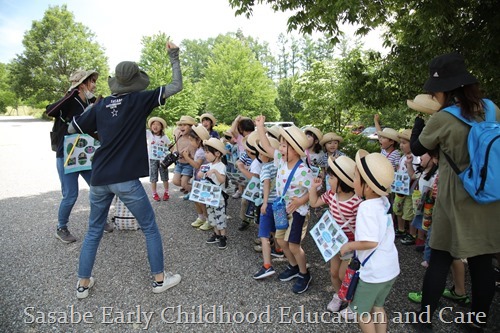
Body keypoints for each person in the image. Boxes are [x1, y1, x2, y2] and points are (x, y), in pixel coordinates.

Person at [69, 41, 183, 298]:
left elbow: (72, 128)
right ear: (135, 80)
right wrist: (173, 56)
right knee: (150, 227)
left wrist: (97, 121)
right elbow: (177, 86)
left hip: (99, 178)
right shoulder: (140, 100)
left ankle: (83, 284)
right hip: (125, 180)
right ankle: (159, 280)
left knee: (93, 230)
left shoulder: (101, 104)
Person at [410, 52, 500, 331]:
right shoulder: (491, 108)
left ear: (442, 89)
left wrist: (418, 123)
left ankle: (424, 322)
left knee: (439, 258)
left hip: (456, 199)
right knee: (482, 261)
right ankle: (477, 323)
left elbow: (417, 148)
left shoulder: (443, 119)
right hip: (488, 197)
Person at [45, 69, 113, 243]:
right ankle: (61, 228)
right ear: (82, 85)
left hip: (85, 155)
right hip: (67, 157)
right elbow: (50, 110)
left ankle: (99, 221)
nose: (95, 84)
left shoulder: (91, 101)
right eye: (91, 81)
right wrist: (72, 92)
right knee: (70, 195)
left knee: (99, 188)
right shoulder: (70, 101)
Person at [339, 150, 399, 333]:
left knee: (361, 312)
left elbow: (370, 242)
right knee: (378, 307)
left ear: (369, 187)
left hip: (374, 273)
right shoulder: (383, 202)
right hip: (390, 268)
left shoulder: (366, 207)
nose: (353, 181)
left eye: (356, 177)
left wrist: (349, 246)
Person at [255, 115, 314, 294]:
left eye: (283, 145)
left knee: (294, 245)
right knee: (280, 240)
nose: (279, 148)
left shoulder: (304, 171)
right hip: (281, 208)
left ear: (295, 150)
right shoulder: (280, 160)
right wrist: (260, 127)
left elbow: (313, 193)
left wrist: (300, 201)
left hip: (298, 211)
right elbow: (266, 146)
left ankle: (304, 274)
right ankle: (293, 266)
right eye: (280, 144)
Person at [309, 156, 362, 312]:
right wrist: (313, 188)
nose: (328, 179)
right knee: (333, 273)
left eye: (331, 177)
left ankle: (352, 300)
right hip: (334, 243)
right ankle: (339, 295)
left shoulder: (356, 202)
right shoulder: (331, 195)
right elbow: (314, 203)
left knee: (343, 274)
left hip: (349, 246)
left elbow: (362, 227)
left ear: (343, 181)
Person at [252, 136, 280, 279]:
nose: (259, 155)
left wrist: (264, 203)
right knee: (276, 230)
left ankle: (267, 265)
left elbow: (266, 184)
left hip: (268, 203)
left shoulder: (266, 168)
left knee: (264, 235)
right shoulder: (279, 166)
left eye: (260, 152)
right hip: (279, 203)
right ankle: (279, 248)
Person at [200, 138, 228, 250]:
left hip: (219, 198)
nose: (205, 154)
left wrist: (215, 172)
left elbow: (222, 180)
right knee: (212, 216)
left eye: (207, 152)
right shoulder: (209, 165)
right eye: (205, 152)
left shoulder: (221, 166)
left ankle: (223, 236)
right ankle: (216, 234)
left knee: (220, 217)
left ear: (217, 153)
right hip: (210, 196)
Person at [394, 129, 420, 241]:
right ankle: (401, 229)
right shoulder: (402, 157)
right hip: (400, 189)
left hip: (410, 190)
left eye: (404, 143)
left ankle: (412, 233)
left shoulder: (416, 158)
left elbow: (415, 175)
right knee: (397, 208)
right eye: (400, 143)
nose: (401, 145)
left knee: (409, 211)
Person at [184, 124, 211, 230]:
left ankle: (208, 219)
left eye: (191, 140)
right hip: (197, 178)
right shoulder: (200, 150)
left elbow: (196, 165)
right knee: (195, 199)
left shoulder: (201, 152)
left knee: (202, 201)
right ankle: (201, 217)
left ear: (199, 140)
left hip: (202, 180)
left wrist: (187, 158)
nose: (190, 143)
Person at [171, 115, 197, 197]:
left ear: (191, 127)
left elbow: (195, 157)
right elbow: (176, 143)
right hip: (179, 162)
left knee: (184, 183)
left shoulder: (193, 140)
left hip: (188, 164)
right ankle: (193, 188)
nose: (181, 127)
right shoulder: (178, 134)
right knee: (175, 181)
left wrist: (187, 156)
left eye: (185, 125)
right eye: (180, 125)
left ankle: (195, 192)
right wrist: (175, 151)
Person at [146, 116, 171, 201]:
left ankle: (166, 192)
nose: (155, 126)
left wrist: (170, 154)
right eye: (153, 124)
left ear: (161, 127)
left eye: (158, 125)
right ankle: (154, 193)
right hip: (152, 159)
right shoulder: (149, 134)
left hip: (162, 160)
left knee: (164, 176)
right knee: (153, 177)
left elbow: (170, 146)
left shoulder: (164, 137)